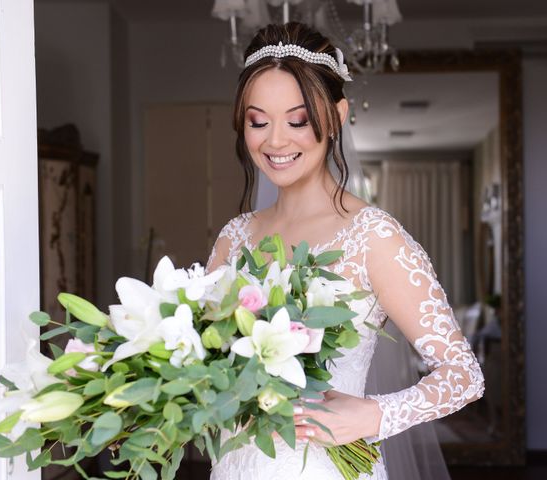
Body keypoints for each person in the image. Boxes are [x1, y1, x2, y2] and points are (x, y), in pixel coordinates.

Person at [206, 22, 485, 480]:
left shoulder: (373, 236)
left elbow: (463, 376)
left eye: (297, 120)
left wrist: (371, 415)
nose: (275, 141)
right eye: (258, 122)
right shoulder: (233, 237)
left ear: (336, 117)